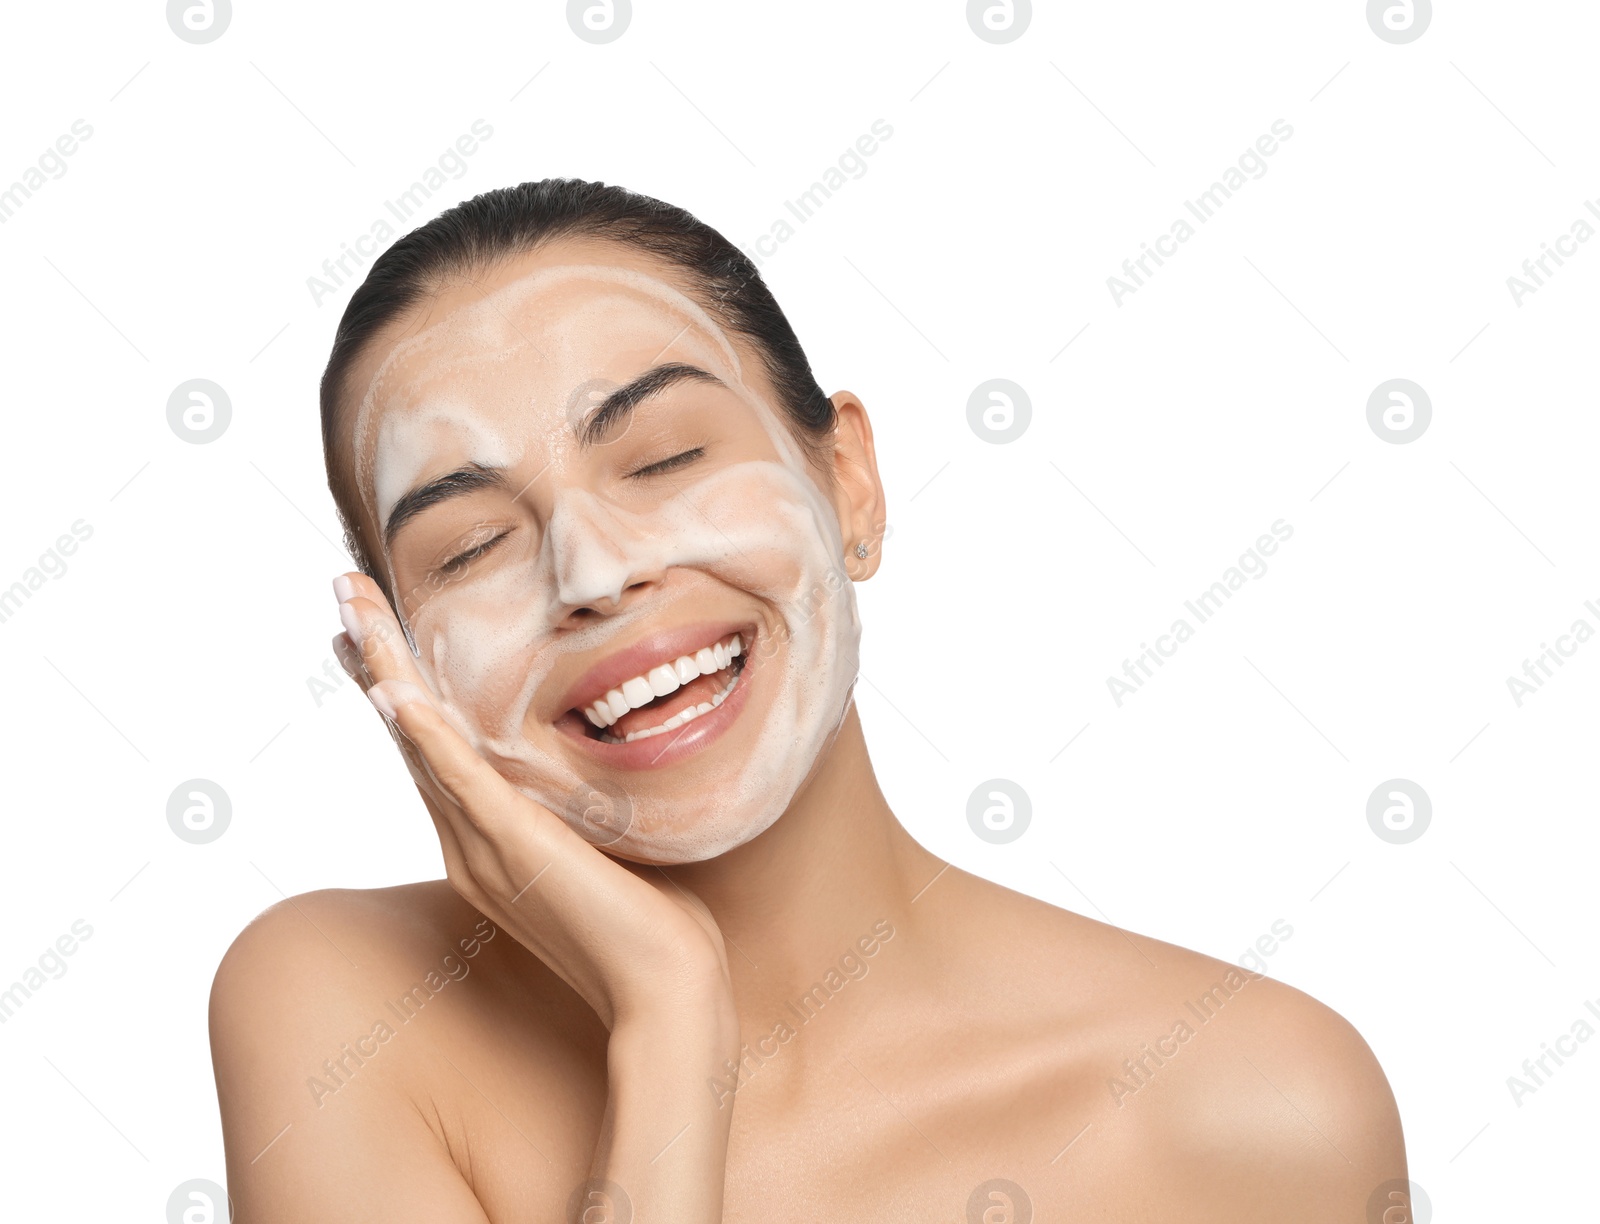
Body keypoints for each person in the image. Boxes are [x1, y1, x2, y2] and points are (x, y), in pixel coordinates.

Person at [209, 178, 1408, 1221]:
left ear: (848, 486)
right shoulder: (339, 1007)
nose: (590, 571)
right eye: (469, 546)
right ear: (394, 654)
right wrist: (672, 1023)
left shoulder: (1252, 1099)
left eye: (664, 458)